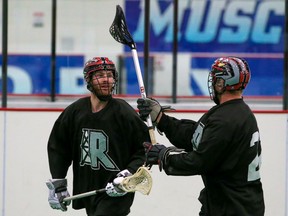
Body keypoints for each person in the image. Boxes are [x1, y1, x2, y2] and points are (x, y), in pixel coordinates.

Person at [137, 56, 265, 216]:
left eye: (215, 79)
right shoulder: (229, 112)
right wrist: (161, 119)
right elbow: (194, 137)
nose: (212, 82)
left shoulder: (226, 120)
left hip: (233, 208)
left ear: (221, 83)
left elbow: (200, 161)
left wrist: (164, 157)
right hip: (224, 204)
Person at [46, 57, 150, 216]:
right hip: (89, 189)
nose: (106, 80)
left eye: (109, 75)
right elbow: (59, 147)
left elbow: (145, 148)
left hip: (116, 192)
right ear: (88, 79)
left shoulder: (123, 112)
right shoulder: (75, 111)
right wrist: (58, 182)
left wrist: (128, 173)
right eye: (100, 75)